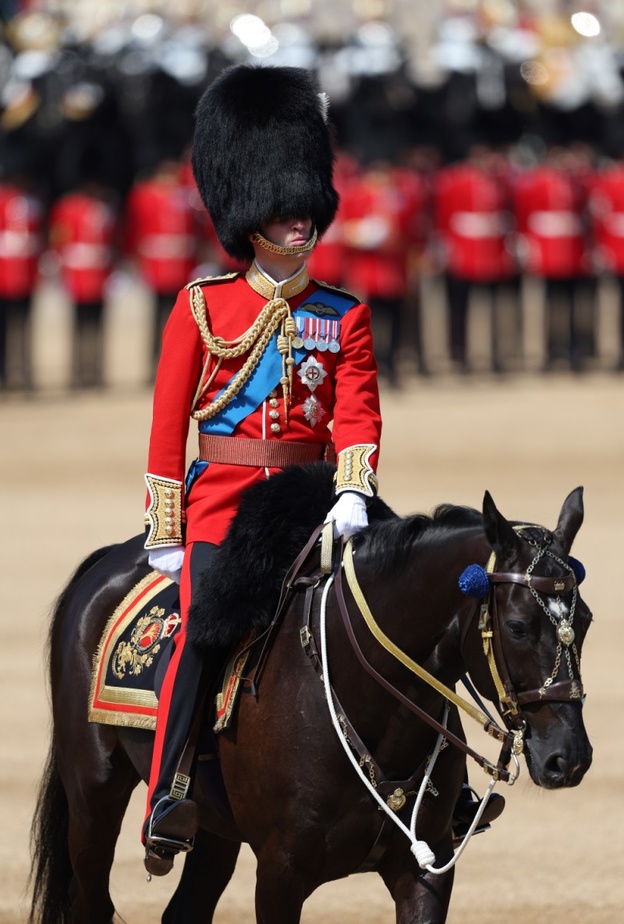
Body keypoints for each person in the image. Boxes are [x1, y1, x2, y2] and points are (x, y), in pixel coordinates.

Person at [141, 64, 382, 877]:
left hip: (319, 500)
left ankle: (423, 782)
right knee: (202, 636)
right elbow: (168, 424)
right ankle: (169, 791)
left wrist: (354, 487)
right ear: (249, 219)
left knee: (396, 611)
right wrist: (167, 531)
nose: (301, 223)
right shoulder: (203, 308)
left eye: (307, 209)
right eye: (284, 213)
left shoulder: (341, 313)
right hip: (225, 505)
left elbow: (357, 411)